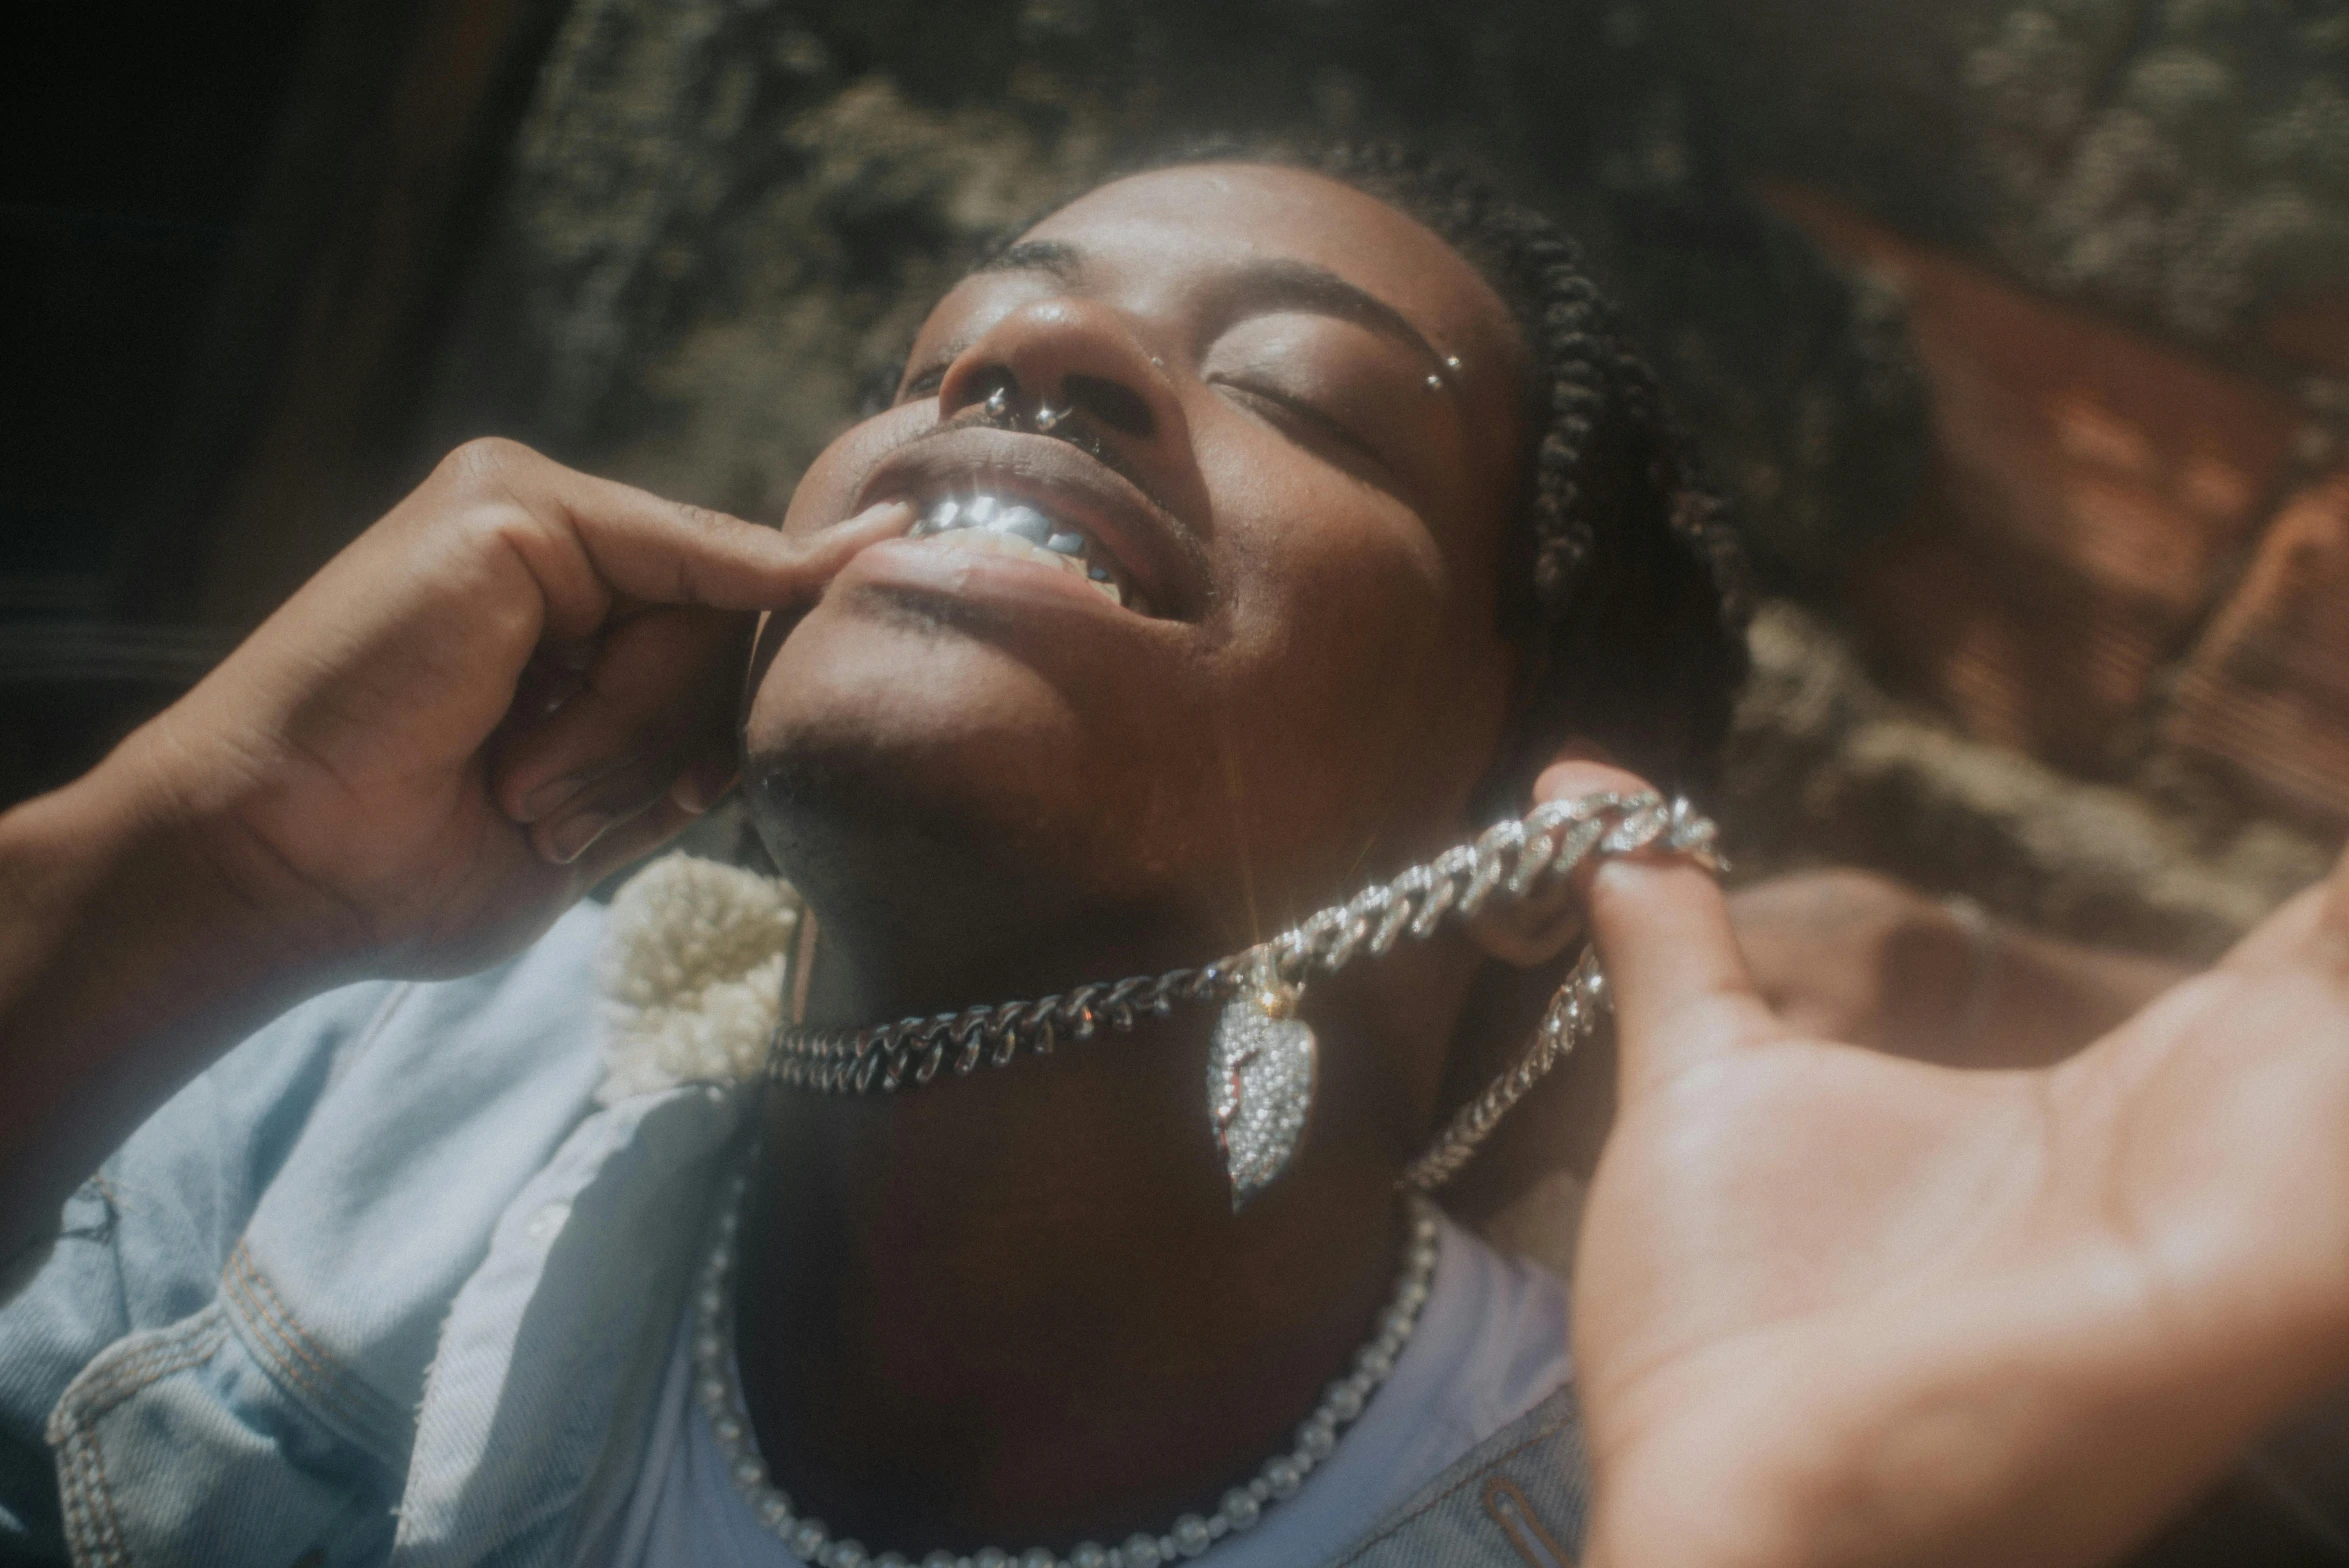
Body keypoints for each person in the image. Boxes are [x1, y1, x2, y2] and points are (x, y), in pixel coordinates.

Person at [3, 144, 2347, 1568]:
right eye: (946, 347)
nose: (1020, 347)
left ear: (1540, 844)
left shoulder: (1658, 1476)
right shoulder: (344, 1089)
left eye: (1309, 395)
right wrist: (187, 867)